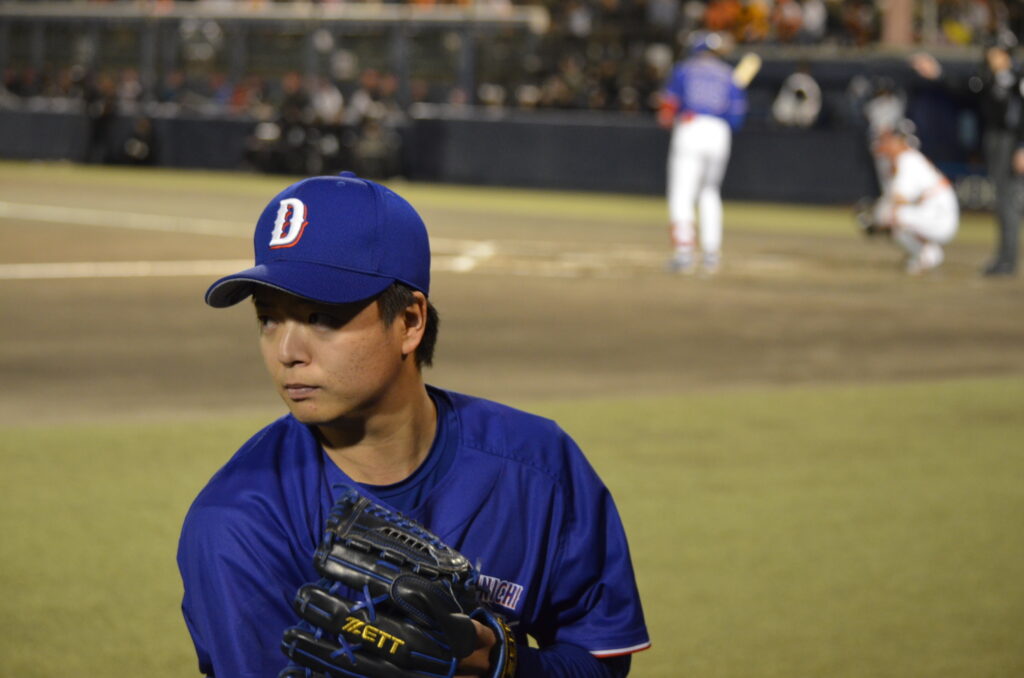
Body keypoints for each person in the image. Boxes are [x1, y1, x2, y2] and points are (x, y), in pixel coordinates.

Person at [177, 172, 651, 677]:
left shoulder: (539, 465)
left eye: (321, 318)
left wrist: (503, 665)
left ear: (409, 322)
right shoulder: (236, 523)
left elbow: (600, 662)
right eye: (268, 318)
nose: (287, 352)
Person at [911, 33, 1023, 276]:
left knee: (1009, 201)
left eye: (996, 52)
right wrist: (938, 74)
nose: (991, 56)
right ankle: (1004, 258)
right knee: (1004, 201)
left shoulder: (1018, 79)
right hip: (995, 139)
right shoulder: (988, 79)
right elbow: (963, 87)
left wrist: (1022, 146)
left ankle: (1008, 260)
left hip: (1011, 141)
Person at [658, 31, 748, 275]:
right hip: (720, 132)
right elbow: (737, 118)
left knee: (682, 193)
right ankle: (711, 254)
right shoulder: (729, 75)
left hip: (691, 126)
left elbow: (667, 109)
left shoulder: (685, 69)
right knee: (710, 192)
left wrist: (668, 118)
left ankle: (684, 254)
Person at [859, 126, 959, 275]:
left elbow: (900, 199)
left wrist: (875, 219)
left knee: (888, 215)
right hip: (933, 213)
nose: (884, 145)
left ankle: (928, 255)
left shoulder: (908, 160)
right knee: (889, 215)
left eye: (888, 141)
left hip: (941, 218)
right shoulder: (906, 159)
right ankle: (922, 253)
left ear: (899, 142)